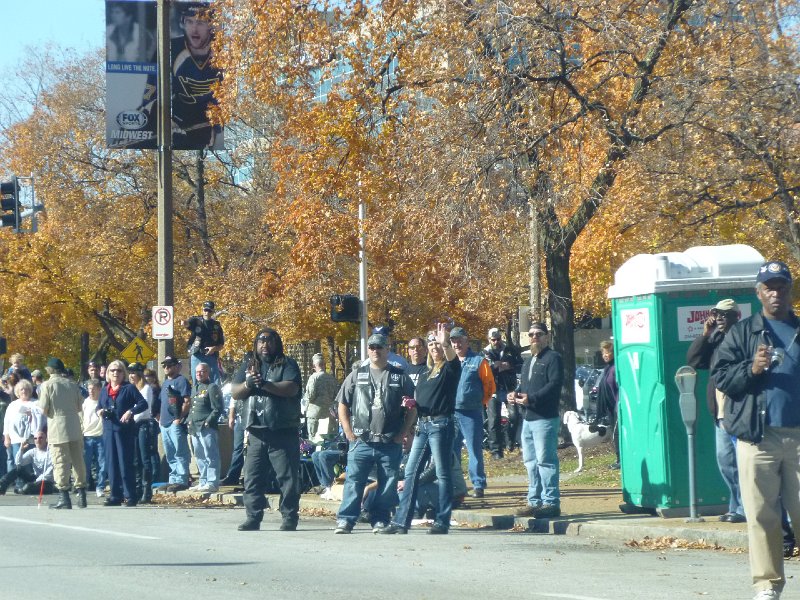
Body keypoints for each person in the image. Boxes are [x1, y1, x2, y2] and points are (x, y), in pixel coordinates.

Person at [713, 261, 800, 600]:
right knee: (762, 517)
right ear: (759, 293)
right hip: (757, 437)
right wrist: (752, 368)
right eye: (769, 287)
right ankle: (767, 585)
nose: (775, 292)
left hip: (798, 436)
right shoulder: (742, 332)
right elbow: (721, 377)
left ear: (790, 290)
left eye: (781, 286)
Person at [334, 332, 416, 534]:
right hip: (361, 440)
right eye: (371, 347)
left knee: (387, 484)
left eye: (379, 347)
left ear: (388, 350)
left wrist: (403, 433)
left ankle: (380, 519)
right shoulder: (356, 375)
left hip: (389, 440)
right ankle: (346, 520)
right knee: (353, 481)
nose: (375, 350)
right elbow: (342, 404)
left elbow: (413, 408)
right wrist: (348, 431)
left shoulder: (400, 376)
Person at [381, 323, 459, 535]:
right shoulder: (425, 372)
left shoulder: (449, 369)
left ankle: (442, 521)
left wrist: (446, 342)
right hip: (423, 425)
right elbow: (424, 400)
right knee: (410, 471)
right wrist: (412, 403)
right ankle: (400, 522)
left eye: (438, 343)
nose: (435, 347)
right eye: (432, 343)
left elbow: (452, 358)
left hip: (441, 425)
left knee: (443, 474)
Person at [231, 328, 303, 532]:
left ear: (277, 343)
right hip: (255, 431)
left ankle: (289, 516)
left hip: (282, 430)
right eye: (261, 341)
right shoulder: (248, 365)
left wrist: (265, 384)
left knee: (288, 479)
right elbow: (235, 392)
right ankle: (253, 517)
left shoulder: (287, 364)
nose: (265, 345)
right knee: (252, 478)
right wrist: (248, 383)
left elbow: (291, 388)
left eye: (269, 341)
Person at [686, 299, 744, 522]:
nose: (720, 318)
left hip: (738, 411)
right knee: (726, 461)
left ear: (736, 316)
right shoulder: (716, 339)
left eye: (725, 314)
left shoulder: (742, 337)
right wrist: (705, 334)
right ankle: (736, 505)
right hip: (719, 411)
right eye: (717, 314)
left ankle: (743, 509)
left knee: (742, 462)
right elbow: (693, 360)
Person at [511, 322, 564, 518]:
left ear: (547, 336)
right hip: (528, 418)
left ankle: (551, 502)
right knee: (531, 462)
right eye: (531, 334)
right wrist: (515, 394)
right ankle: (535, 501)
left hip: (545, 418)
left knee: (546, 461)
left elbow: (554, 384)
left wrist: (531, 398)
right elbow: (525, 386)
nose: (535, 337)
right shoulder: (528, 361)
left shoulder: (553, 358)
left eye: (539, 334)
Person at [449, 326, 495, 498]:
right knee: (452, 451)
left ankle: (478, 484)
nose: (457, 343)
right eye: (453, 340)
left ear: (467, 341)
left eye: (460, 339)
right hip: (452, 412)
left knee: (474, 449)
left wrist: (479, 402)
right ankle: (456, 485)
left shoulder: (479, 361)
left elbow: (490, 385)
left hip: (471, 412)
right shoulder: (448, 360)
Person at [37, 357, 87, 510]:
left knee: (60, 461)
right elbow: (79, 406)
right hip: (74, 425)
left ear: (50, 370)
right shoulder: (72, 384)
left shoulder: (47, 385)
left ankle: (64, 496)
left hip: (58, 426)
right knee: (78, 460)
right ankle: (81, 494)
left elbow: (44, 409)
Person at [98, 360, 148, 507]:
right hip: (108, 430)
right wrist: (100, 411)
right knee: (111, 463)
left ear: (123, 373)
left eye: (119, 371)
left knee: (125, 463)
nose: (115, 373)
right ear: (108, 373)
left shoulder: (129, 388)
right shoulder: (104, 389)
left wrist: (130, 411)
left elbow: (143, 403)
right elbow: (99, 406)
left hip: (124, 431)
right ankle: (115, 495)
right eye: (112, 370)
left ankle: (130, 495)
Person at [483, 326, 523, 459]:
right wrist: (496, 366)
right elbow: (484, 369)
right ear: (489, 339)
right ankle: (496, 451)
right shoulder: (485, 352)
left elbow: (521, 364)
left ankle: (510, 442)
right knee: (493, 420)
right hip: (492, 390)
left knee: (514, 416)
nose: (496, 342)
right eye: (493, 339)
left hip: (509, 389)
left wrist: (509, 366)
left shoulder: (510, 350)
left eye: (498, 339)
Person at [157, 356, 192, 492]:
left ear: (177, 366)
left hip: (175, 423)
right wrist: (159, 418)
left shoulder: (181, 381)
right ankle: (173, 478)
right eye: (165, 365)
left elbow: (187, 401)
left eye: (170, 365)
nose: (167, 368)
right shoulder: (165, 382)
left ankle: (182, 479)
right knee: (170, 453)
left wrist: (179, 418)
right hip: (164, 423)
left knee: (180, 451)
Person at [188, 362, 224, 493]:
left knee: (211, 455)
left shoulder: (212, 387)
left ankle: (212, 482)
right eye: (197, 372)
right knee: (199, 456)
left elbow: (218, 408)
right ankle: (203, 481)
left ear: (208, 372)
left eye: (202, 371)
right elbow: (193, 408)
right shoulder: (196, 388)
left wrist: (208, 421)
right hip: (194, 427)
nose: (199, 374)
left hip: (207, 427)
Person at [128, 362, 157, 503]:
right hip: (134, 426)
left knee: (145, 459)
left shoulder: (146, 389)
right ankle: (137, 489)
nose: (131, 376)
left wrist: (130, 417)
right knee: (135, 459)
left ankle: (147, 491)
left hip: (143, 424)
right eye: (130, 373)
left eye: (133, 373)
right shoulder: (131, 389)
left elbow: (144, 409)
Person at [4, 379, 46, 472]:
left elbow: (43, 420)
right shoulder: (12, 405)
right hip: (16, 439)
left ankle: (31, 483)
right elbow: (7, 422)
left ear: (30, 391)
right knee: (17, 462)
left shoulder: (36, 403)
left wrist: (33, 414)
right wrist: (6, 437)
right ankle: (19, 484)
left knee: (29, 462)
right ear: (17, 392)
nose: (24, 391)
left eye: (26, 389)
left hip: (31, 439)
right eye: (21, 389)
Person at [593, 340, 621, 469]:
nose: (605, 355)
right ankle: (619, 459)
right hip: (610, 408)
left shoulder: (616, 368)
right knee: (615, 433)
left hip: (617, 407)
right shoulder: (607, 368)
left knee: (617, 433)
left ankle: (620, 460)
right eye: (604, 352)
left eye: (608, 352)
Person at [0, 428, 55, 495]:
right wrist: (21, 449)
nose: (38, 440)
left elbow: (49, 473)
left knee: (28, 487)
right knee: (18, 469)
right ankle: (1, 487)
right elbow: (18, 462)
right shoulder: (33, 451)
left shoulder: (51, 453)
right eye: (35, 438)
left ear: (46, 439)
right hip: (35, 478)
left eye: (41, 438)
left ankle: (23, 490)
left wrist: (36, 482)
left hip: (46, 482)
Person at [183, 300, 225, 384]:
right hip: (197, 354)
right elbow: (188, 324)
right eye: (205, 310)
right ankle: (196, 395)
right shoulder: (196, 321)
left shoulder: (216, 325)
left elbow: (221, 345)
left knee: (215, 380)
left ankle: (215, 395)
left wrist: (214, 348)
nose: (207, 312)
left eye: (209, 310)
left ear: (212, 311)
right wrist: (184, 323)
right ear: (202, 310)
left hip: (211, 356)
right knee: (196, 378)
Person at [302, 353, 339, 440]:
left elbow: (310, 396)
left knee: (315, 441)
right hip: (329, 414)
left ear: (314, 365)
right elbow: (336, 397)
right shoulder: (332, 379)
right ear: (324, 365)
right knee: (328, 441)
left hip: (315, 415)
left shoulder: (313, 378)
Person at [82, 379, 107, 498]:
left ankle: (100, 487)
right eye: (89, 389)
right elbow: (80, 419)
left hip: (100, 436)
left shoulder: (103, 402)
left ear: (99, 389)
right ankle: (84, 487)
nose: (91, 391)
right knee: (85, 464)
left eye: (93, 389)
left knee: (102, 464)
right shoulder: (85, 403)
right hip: (87, 436)